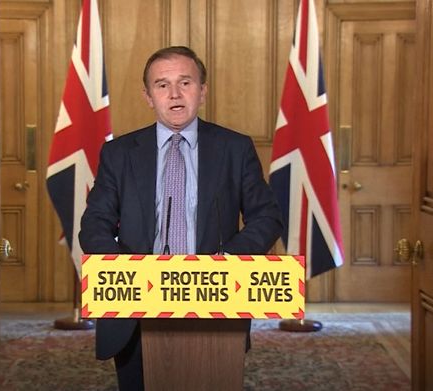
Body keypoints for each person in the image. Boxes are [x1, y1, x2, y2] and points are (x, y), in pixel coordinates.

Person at [79, 46, 283, 390]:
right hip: (137, 304)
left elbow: (267, 216)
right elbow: (95, 222)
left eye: (185, 82)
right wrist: (122, 268)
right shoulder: (119, 153)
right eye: (162, 85)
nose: (174, 94)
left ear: (202, 91)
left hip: (215, 297)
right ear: (148, 96)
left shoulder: (234, 148)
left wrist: (227, 261)